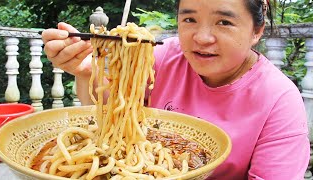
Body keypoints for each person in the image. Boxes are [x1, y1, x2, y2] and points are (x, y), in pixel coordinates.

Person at [42, 0, 310, 179]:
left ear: (257, 30)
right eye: (190, 19)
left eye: (224, 22)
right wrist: (86, 71)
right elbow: (109, 108)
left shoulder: (279, 99)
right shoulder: (163, 57)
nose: (202, 37)